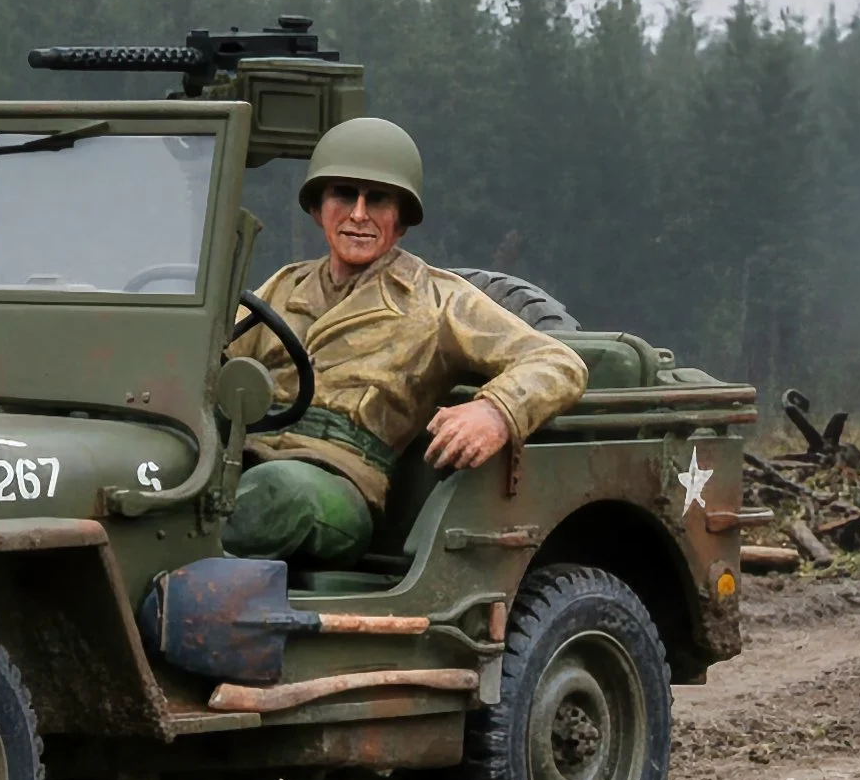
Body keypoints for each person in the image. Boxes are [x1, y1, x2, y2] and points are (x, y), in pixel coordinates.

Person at [224, 116, 587, 565]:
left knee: (273, 499)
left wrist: (496, 410)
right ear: (318, 209)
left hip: (338, 481)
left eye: (377, 199)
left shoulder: (437, 300)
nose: (359, 214)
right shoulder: (283, 286)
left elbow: (558, 361)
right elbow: (210, 360)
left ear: (401, 221)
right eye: (343, 195)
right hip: (246, 455)